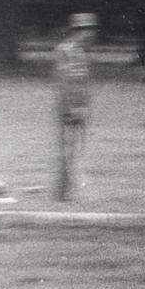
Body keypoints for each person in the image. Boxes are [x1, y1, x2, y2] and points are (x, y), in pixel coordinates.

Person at [54, 12, 99, 201]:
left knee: (77, 149)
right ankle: (64, 193)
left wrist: (86, 106)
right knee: (69, 149)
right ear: (78, 30)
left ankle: (70, 191)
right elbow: (64, 81)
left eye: (91, 30)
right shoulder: (66, 50)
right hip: (69, 107)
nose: (91, 34)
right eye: (87, 30)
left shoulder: (82, 52)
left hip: (80, 106)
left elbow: (84, 82)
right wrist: (72, 107)